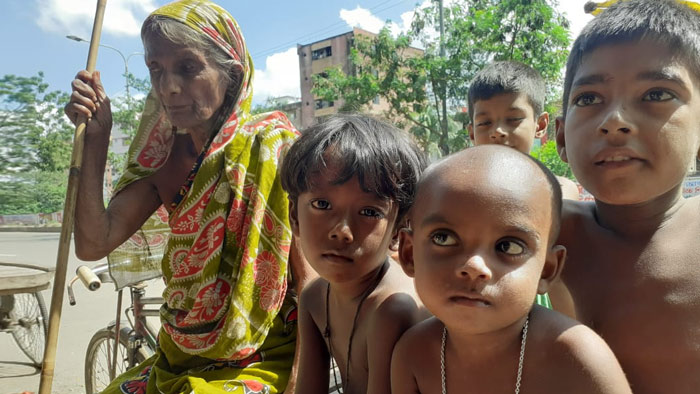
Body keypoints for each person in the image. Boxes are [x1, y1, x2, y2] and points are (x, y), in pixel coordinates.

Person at [64, 1, 312, 392]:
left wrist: (303, 378)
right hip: (178, 355)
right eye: (156, 70)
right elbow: (94, 242)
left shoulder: (271, 147)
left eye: (188, 67)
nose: (169, 87)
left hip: (261, 353)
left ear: (231, 72)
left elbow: (309, 280)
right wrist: (96, 139)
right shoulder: (161, 160)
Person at [391, 145, 632, 394]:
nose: (474, 266)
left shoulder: (577, 357)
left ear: (547, 270)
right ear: (409, 254)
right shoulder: (413, 354)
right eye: (444, 238)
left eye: (508, 247)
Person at [551, 0, 700, 392]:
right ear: (561, 136)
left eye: (656, 94)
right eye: (588, 98)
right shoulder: (547, 229)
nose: (614, 120)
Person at [280, 114, 430, 394]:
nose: (342, 231)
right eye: (322, 204)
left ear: (398, 231)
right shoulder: (314, 298)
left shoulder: (393, 309)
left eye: (370, 212)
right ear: (294, 216)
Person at [467, 60, 581, 200]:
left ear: (540, 125)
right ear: (472, 134)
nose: (498, 131)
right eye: (484, 123)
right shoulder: (463, 196)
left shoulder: (560, 192)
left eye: (514, 119)